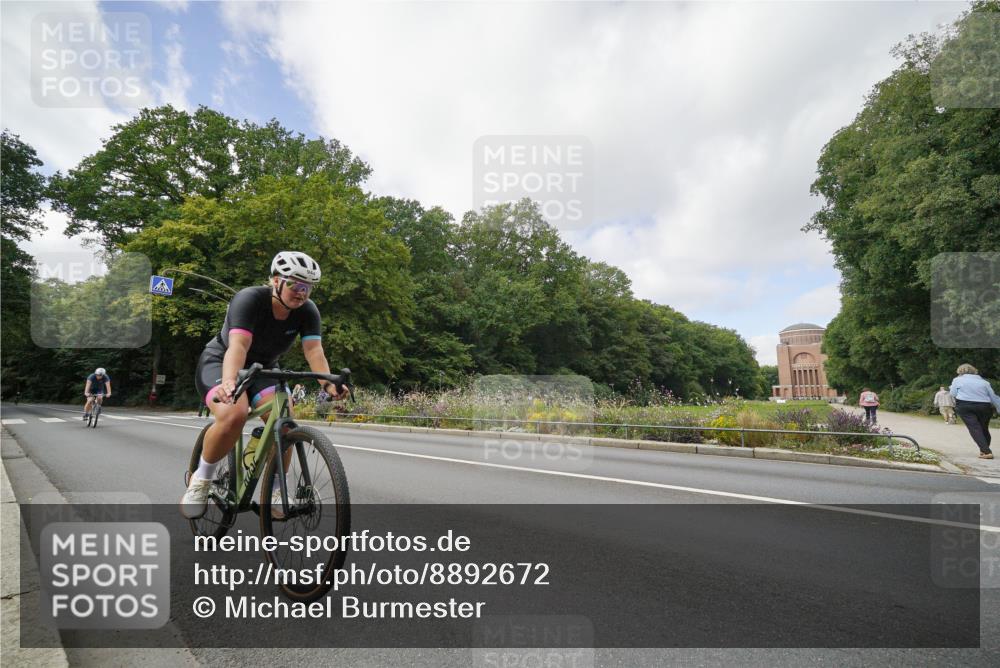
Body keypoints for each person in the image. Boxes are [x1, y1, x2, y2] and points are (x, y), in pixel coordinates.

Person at [180, 251, 349, 519]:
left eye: (308, 287)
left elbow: (314, 351)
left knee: (284, 417)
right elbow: (239, 346)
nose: (301, 292)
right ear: (275, 281)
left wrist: (328, 384)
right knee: (233, 413)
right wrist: (229, 382)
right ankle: (201, 479)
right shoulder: (249, 299)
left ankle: (275, 489)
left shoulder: (307, 311)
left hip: (265, 368)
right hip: (222, 360)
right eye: (294, 284)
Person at [950, 363, 1000, 460]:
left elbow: (953, 393)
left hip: (965, 405)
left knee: (974, 428)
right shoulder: (984, 382)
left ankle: (986, 451)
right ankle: (984, 450)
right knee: (984, 428)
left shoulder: (957, 380)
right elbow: (993, 397)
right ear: (974, 371)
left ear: (960, 371)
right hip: (984, 406)